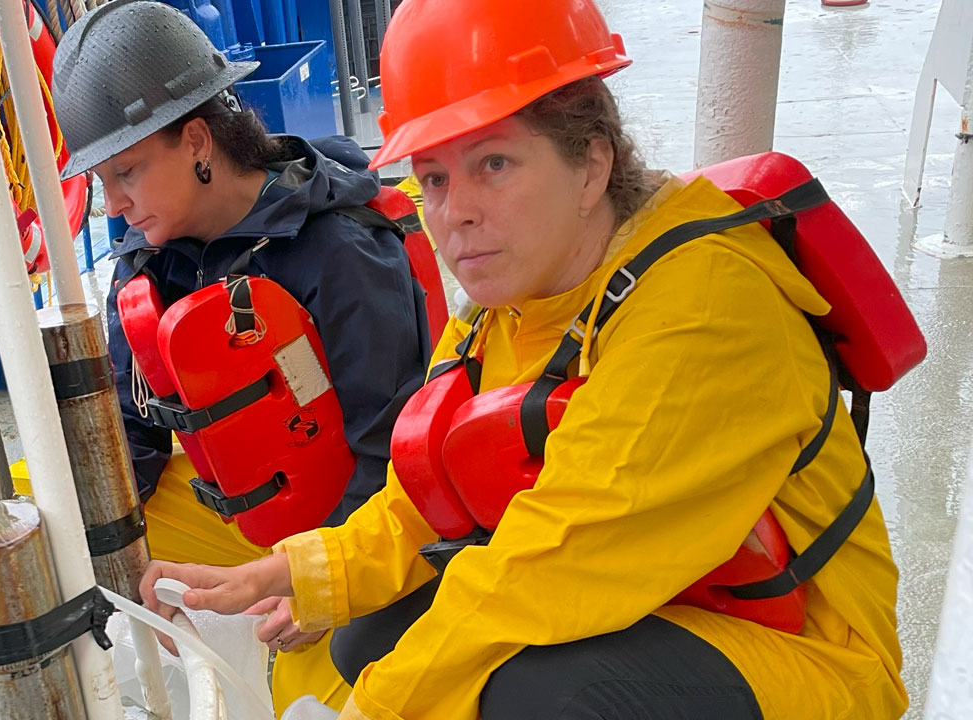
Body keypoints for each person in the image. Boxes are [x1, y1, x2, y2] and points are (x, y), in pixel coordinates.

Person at [138, 0, 911, 718]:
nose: (456, 211)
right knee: (367, 633)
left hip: (803, 651)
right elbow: (420, 499)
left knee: (536, 694)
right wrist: (296, 576)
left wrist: (375, 706)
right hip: (654, 597)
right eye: (434, 178)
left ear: (592, 165)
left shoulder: (706, 310)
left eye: (494, 163)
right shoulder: (509, 309)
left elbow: (554, 563)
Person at [52, 1, 430, 713]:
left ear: (197, 140)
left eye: (125, 171)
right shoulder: (144, 263)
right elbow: (130, 439)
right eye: (101, 180)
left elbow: (393, 454)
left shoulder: (339, 251)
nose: (112, 205)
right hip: (235, 501)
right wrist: (103, 558)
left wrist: (314, 582)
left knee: (325, 696)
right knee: (67, 553)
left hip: (359, 523)